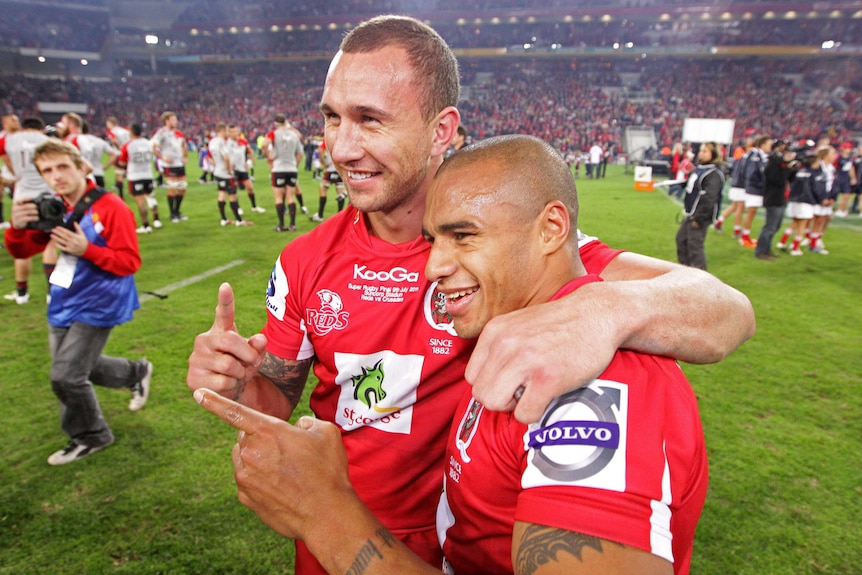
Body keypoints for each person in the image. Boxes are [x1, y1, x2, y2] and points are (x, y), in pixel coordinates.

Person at [186, 15, 752, 575]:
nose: (341, 147)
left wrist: (606, 309)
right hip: (331, 520)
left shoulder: (508, 239)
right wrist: (241, 382)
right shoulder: (305, 259)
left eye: (371, 120)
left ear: (441, 130)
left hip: (438, 532)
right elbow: (274, 401)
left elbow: (727, 311)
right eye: (332, 118)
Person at [4, 139, 152, 465]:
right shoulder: (55, 207)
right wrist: (16, 229)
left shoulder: (112, 206)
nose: (56, 176)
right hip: (64, 297)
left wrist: (88, 250)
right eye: (47, 171)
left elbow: (129, 262)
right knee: (82, 367)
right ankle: (136, 372)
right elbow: (22, 251)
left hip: (101, 301)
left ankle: (91, 436)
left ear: (81, 167)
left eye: (62, 167)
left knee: (66, 376)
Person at [0, 116, 59, 304]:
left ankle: (21, 294)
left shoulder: (9, 140)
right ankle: (52, 293)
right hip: (49, 196)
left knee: (22, 249)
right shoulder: (49, 141)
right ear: (41, 129)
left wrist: (13, 176)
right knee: (51, 243)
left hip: (22, 197)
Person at [676, 142, 725, 270]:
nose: (701, 153)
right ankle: (685, 271)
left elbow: (710, 197)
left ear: (713, 154)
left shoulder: (713, 174)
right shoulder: (700, 168)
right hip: (691, 213)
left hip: (699, 215)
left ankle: (700, 277)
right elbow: (694, 185)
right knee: (681, 240)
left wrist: (699, 218)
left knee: (695, 246)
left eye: (705, 151)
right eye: (701, 151)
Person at [118, 123, 161, 234]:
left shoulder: (127, 145)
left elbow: (122, 162)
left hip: (135, 176)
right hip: (148, 174)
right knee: (151, 198)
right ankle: (156, 220)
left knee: (140, 202)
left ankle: (146, 225)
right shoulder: (148, 143)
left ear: (131, 132)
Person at [262, 114, 303, 231]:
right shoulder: (294, 135)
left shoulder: (273, 133)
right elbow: (300, 154)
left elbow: (264, 144)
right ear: (286, 122)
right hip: (291, 169)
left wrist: (267, 156)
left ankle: (281, 224)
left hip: (279, 168)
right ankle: (292, 225)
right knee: (291, 196)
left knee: (279, 197)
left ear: (275, 123)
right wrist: (295, 164)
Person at [754, 139, 792, 260]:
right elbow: (779, 180)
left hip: (780, 198)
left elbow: (790, 179)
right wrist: (786, 168)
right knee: (770, 226)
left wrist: (791, 168)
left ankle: (767, 249)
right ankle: (761, 251)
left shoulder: (779, 164)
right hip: (773, 198)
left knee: (775, 226)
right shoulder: (772, 164)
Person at [209, 123, 251, 227]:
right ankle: (239, 220)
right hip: (225, 173)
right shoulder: (221, 142)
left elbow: (211, 157)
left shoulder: (212, 142)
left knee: (222, 194)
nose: (228, 133)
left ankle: (224, 219)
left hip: (217, 171)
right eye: (227, 131)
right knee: (232, 196)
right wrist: (229, 170)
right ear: (223, 131)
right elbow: (226, 157)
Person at [152, 111, 190, 223]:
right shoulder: (161, 133)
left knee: (182, 187)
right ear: (167, 121)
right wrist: (162, 157)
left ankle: (177, 212)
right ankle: (172, 214)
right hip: (169, 165)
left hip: (179, 163)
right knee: (172, 187)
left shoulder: (178, 133)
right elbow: (153, 147)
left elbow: (184, 145)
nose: (176, 121)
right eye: (173, 119)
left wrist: (186, 156)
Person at [713, 135, 753, 237]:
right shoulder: (743, 152)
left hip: (736, 182)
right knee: (740, 207)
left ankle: (718, 222)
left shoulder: (744, 152)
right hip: (740, 183)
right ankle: (737, 230)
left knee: (735, 206)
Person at [738, 134, 773, 248]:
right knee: (751, 212)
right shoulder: (756, 155)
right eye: (768, 145)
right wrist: (757, 185)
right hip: (754, 189)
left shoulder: (759, 155)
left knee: (752, 212)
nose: (770, 147)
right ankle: (744, 238)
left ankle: (746, 236)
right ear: (762, 144)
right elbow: (751, 173)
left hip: (755, 188)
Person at [228, 125, 265, 215]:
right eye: (232, 131)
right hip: (232, 170)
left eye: (236, 131)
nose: (234, 133)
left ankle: (254, 206)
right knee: (234, 190)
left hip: (242, 168)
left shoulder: (243, 141)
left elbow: (250, 151)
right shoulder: (226, 143)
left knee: (250, 188)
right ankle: (238, 208)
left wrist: (248, 161)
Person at [105, 116, 130, 198]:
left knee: (119, 174)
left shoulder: (112, 132)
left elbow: (114, 141)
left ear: (110, 123)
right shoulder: (125, 130)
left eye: (107, 124)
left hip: (119, 153)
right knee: (126, 173)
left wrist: (120, 148)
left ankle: (121, 195)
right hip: (128, 153)